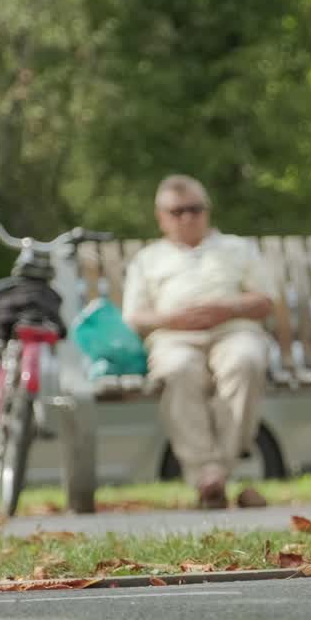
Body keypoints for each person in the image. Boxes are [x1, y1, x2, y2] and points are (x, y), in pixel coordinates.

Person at [122, 175, 277, 509]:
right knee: (176, 370)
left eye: (195, 209)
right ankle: (211, 472)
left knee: (246, 361)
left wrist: (229, 307)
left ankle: (211, 475)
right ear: (161, 217)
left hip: (234, 330)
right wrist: (172, 319)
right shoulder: (147, 259)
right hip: (175, 337)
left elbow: (266, 301)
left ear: (207, 211)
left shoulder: (238, 248)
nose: (188, 217)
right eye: (177, 211)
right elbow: (134, 318)